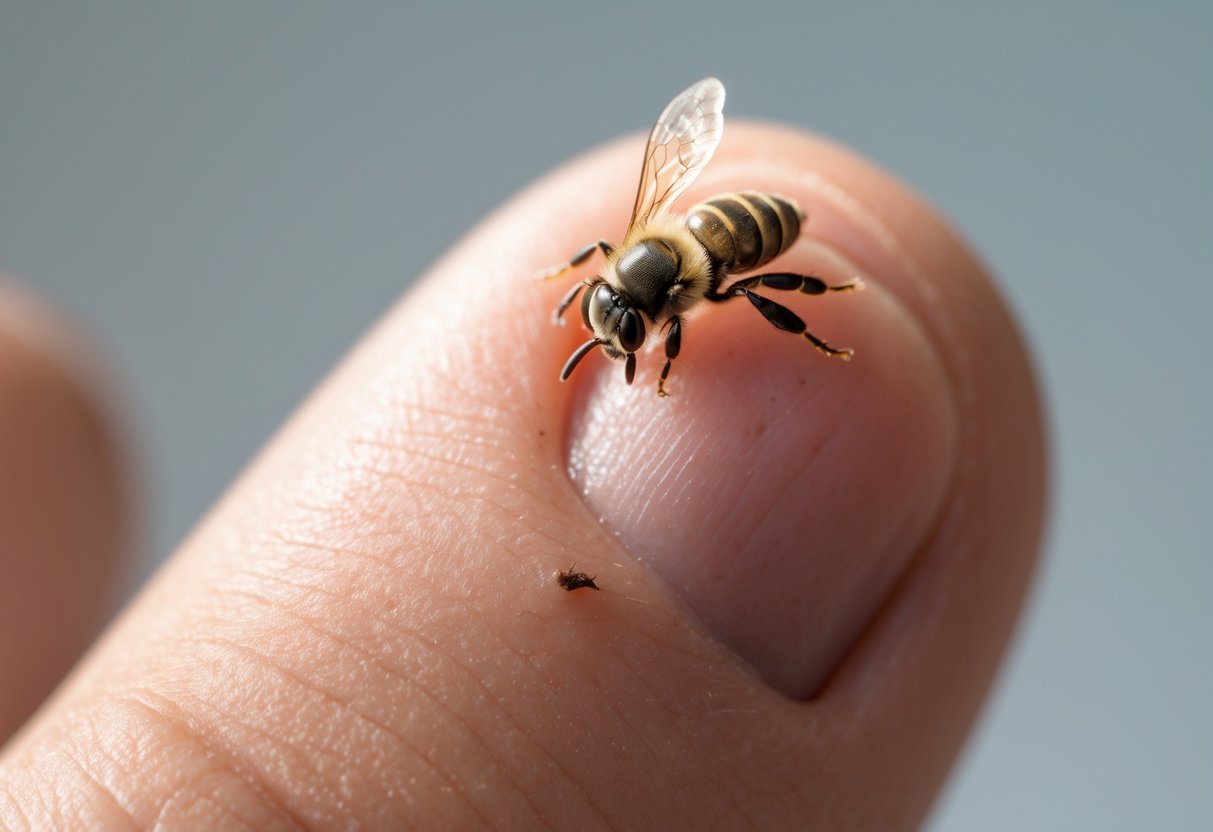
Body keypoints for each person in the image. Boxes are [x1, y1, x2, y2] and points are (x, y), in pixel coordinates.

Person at [0, 123, 1045, 830]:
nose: (621, 336)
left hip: (746, 230)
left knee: (762, 306)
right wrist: (590, 301)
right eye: (607, 319)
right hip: (690, 238)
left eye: (623, 327)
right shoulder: (630, 262)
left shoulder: (675, 286)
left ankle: (823, 338)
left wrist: (664, 367)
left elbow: (674, 323)